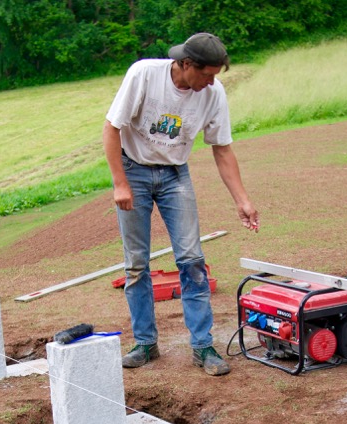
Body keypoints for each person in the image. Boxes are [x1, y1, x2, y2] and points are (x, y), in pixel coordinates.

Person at [103, 32, 259, 376]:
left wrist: (242, 200)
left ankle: (203, 346)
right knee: (136, 264)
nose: (211, 82)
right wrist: (120, 183)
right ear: (186, 64)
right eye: (207, 74)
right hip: (134, 170)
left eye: (216, 75)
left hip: (176, 175)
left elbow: (222, 148)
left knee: (192, 259)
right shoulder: (144, 75)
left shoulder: (213, 93)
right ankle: (145, 343)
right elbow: (112, 128)